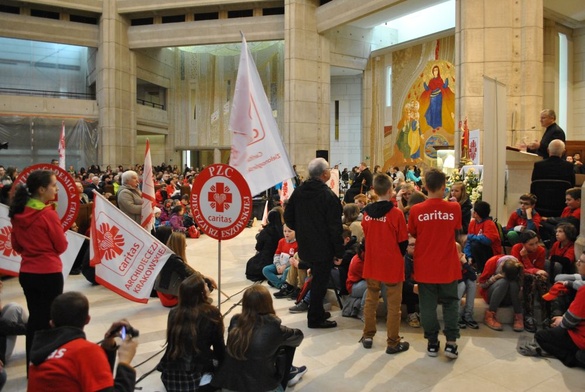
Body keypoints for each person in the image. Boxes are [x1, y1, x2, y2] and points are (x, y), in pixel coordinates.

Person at [9, 169, 68, 365]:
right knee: (51, 321)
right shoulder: (47, 215)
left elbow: (16, 246)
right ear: (41, 190)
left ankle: (32, 365)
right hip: (49, 273)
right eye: (53, 186)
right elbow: (61, 246)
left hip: (27, 273)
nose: (55, 189)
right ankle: (48, 367)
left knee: (35, 319)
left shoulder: (18, 213)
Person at [27, 291, 138, 391]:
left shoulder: (42, 351)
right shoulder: (84, 351)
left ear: (51, 323)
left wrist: (107, 346)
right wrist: (125, 362)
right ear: (87, 319)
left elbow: (98, 381)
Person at [408, 168, 462, 359]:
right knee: (450, 303)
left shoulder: (416, 210)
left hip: (425, 265)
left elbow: (413, 233)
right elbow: (456, 229)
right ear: (443, 186)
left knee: (427, 306)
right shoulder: (454, 208)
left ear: (425, 186)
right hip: (447, 264)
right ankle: (452, 343)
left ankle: (432, 342)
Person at [284, 158, 344, 329]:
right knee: (320, 282)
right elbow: (335, 228)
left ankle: (316, 311)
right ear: (325, 174)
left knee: (316, 279)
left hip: (305, 245)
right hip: (323, 247)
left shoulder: (299, 191)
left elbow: (288, 217)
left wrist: (302, 231)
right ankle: (315, 318)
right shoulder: (328, 196)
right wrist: (339, 252)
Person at [213, 286, 306, 391]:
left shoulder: (235, 321)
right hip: (261, 386)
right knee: (285, 345)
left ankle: (290, 372)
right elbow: (298, 336)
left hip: (229, 384)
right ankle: (289, 372)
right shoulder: (274, 327)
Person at [359, 173, 410, 354]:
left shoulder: (366, 214)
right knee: (393, 305)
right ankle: (393, 342)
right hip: (391, 264)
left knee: (371, 300)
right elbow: (403, 242)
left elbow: (366, 237)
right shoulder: (396, 214)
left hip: (372, 262)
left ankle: (367, 335)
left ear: (373, 190)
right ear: (390, 190)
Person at [158, 273, 225, 392]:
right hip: (196, 380)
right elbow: (219, 348)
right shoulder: (211, 313)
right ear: (201, 293)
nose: (207, 285)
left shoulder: (174, 313)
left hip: (169, 379)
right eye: (205, 284)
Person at [534, 252, 585, 369]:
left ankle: (572, 358)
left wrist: (561, 321)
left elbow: (569, 322)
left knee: (541, 336)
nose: (577, 263)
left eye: (581, 261)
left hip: (580, 337)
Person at [510, 230, 549, 332]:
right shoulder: (516, 248)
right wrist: (525, 257)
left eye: (536, 243)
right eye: (531, 244)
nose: (535, 246)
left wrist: (534, 270)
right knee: (530, 277)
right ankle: (528, 315)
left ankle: (546, 316)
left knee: (542, 278)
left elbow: (539, 270)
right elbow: (518, 269)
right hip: (520, 278)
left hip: (535, 278)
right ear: (523, 244)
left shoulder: (541, 250)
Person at [478, 255, 525, 332]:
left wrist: (520, 286)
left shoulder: (517, 265)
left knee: (513, 283)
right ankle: (490, 315)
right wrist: (495, 278)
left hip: (510, 297)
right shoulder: (492, 262)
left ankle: (518, 315)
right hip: (494, 295)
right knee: (504, 282)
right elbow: (482, 285)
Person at [245, 209, 284, 282]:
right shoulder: (283, 231)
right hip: (280, 259)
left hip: (266, 258)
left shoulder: (265, 231)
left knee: (251, 264)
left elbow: (258, 247)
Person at [464, 200, 502, 273]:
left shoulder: (489, 224)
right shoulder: (472, 223)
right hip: (476, 251)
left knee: (475, 244)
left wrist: (471, 236)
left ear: (476, 213)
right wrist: (468, 256)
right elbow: (468, 242)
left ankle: (482, 270)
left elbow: (487, 240)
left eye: (473, 209)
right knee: (464, 254)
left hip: (491, 253)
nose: (471, 210)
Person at [262, 224, 298, 289]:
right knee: (266, 269)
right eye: (285, 231)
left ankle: (277, 282)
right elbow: (276, 255)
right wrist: (278, 265)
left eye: (289, 231)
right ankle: (280, 285)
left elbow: (295, 259)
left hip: (289, 266)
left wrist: (284, 266)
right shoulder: (281, 241)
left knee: (287, 271)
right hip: (280, 265)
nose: (287, 233)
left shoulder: (297, 243)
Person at [456, 243, 479, 330]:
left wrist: (465, 263)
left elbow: (473, 277)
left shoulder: (463, 261)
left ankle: (468, 315)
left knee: (471, 282)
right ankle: (456, 315)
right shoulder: (446, 260)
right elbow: (456, 279)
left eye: (458, 251)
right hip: (446, 290)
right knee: (461, 284)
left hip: (457, 290)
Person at [403, 236, 420, 328]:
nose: (414, 247)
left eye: (416, 245)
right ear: (406, 246)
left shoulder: (422, 258)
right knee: (410, 286)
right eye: (412, 245)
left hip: (420, 287)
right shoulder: (403, 259)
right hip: (406, 290)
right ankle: (411, 314)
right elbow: (403, 279)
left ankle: (424, 314)